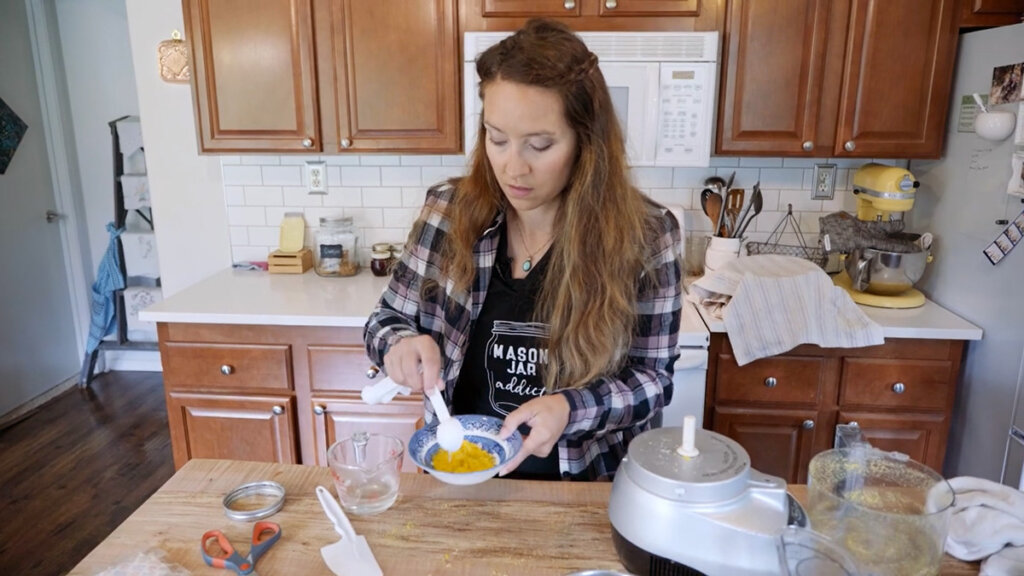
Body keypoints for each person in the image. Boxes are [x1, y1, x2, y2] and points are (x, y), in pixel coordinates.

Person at [363, 18, 682, 481]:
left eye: (539, 145)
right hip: (459, 480)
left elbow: (653, 380)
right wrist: (398, 345)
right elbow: (384, 321)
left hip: (582, 488)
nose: (514, 167)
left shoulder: (647, 237)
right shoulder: (448, 213)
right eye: (497, 139)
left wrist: (570, 408)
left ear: (586, 142)